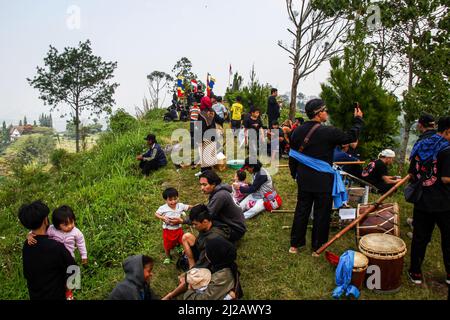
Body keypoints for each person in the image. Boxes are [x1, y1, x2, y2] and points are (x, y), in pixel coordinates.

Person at [288, 99, 364, 254]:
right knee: (322, 213)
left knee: (302, 209)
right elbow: (350, 137)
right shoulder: (329, 132)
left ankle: (294, 245)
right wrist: (358, 120)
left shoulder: (297, 131)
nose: (327, 113)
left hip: (303, 178)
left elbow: (293, 156)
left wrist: (295, 174)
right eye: (325, 110)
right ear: (318, 113)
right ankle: (317, 247)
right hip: (323, 180)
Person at [407, 116, 450, 285]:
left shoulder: (420, 145)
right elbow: (446, 179)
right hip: (443, 202)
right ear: (447, 131)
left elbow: (412, 174)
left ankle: (415, 273)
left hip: (422, 200)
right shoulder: (447, 149)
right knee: (448, 238)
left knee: (420, 238)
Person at [18, 200, 76, 300]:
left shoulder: (27, 245)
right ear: (45, 220)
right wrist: (70, 289)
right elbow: (74, 269)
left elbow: (27, 275)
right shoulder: (56, 247)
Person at [180, 205, 230, 269]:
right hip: (202, 248)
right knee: (186, 237)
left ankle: (192, 268)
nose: (193, 226)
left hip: (209, 259)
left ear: (205, 222)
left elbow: (203, 262)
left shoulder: (212, 239)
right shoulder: (209, 222)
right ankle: (191, 264)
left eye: (195, 224)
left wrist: (191, 272)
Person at [155, 187, 192, 264]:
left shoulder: (180, 205)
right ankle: (168, 257)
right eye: (170, 200)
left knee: (181, 240)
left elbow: (188, 207)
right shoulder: (163, 208)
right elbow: (156, 214)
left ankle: (179, 248)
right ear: (165, 200)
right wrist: (162, 217)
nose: (173, 201)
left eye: (175, 199)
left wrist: (195, 206)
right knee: (167, 245)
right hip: (168, 230)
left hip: (178, 229)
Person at [197, 96, 217, 173]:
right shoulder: (212, 111)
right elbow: (220, 120)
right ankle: (209, 170)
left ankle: (204, 172)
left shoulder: (202, 114)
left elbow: (200, 128)